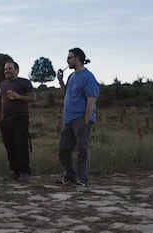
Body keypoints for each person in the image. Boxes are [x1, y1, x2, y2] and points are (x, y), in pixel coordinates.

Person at [56, 47, 99, 187]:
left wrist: (86, 120)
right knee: (63, 149)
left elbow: (91, 100)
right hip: (69, 119)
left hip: (81, 118)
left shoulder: (88, 77)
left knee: (82, 149)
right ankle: (70, 175)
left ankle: (82, 179)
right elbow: (66, 93)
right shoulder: (72, 76)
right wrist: (60, 81)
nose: (67, 60)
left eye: (70, 57)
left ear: (78, 58)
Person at [0, 61, 36, 181]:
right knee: (10, 146)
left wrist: (18, 96)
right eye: (5, 69)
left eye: (9, 68)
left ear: (17, 70)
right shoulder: (1, 85)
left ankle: (24, 172)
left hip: (20, 117)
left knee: (21, 145)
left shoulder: (24, 82)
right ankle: (14, 171)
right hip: (5, 120)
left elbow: (33, 98)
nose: (7, 71)